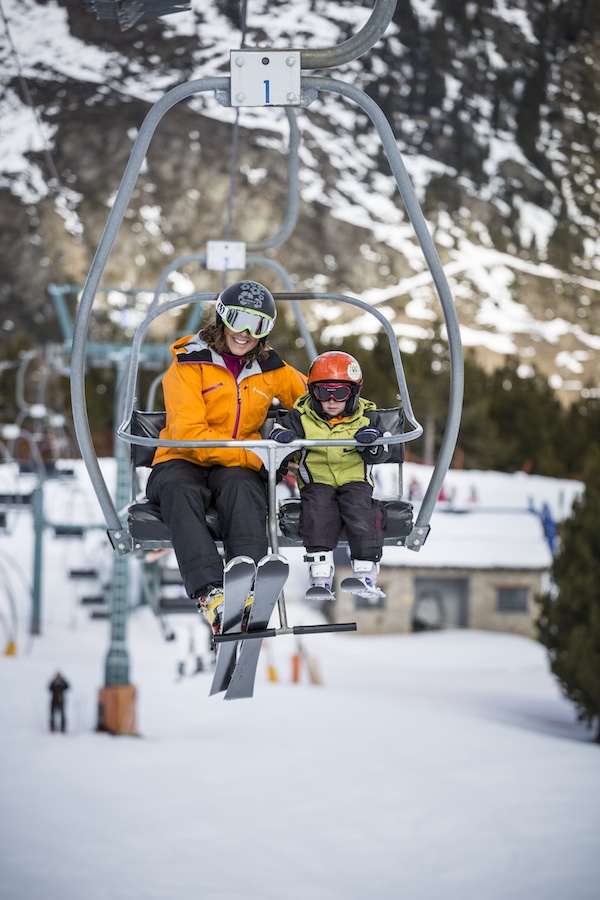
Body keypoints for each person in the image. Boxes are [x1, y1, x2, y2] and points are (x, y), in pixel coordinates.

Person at [146, 280, 307, 632]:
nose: (246, 333)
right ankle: (211, 593)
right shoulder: (188, 364)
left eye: (258, 325)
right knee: (179, 488)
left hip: (233, 467)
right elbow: (190, 435)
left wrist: (344, 407)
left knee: (242, 488)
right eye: (238, 319)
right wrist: (257, 455)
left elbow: (313, 402)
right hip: (181, 458)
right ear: (221, 319)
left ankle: (246, 583)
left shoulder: (270, 368)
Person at [269, 350, 391, 599]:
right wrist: (283, 438)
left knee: (359, 508)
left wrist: (372, 443)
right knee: (316, 508)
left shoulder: (367, 418)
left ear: (354, 393)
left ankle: (365, 570)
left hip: (354, 479)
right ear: (313, 394)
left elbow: (384, 450)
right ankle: (321, 573)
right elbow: (278, 434)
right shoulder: (301, 418)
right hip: (317, 481)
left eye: (341, 392)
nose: (332, 400)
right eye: (324, 392)